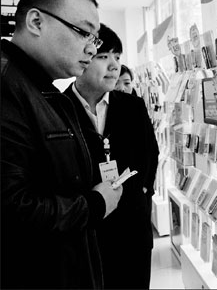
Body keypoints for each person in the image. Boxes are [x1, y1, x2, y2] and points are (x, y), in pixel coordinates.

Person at [1, 0, 123, 289]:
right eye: (83, 32)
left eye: (94, 40)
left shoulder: (43, 91)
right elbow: (14, 209)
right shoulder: (8, 86)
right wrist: (95, 205)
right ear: (36, 21)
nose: (89, 47)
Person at [64, 24, 159, 289]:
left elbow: (150, 153)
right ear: (82, 57)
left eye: (117, 57)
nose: (114, 65)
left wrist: (142, 193)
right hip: (87, 232)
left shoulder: (132, 106)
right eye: (103, 56)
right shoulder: (58, 108)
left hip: (133, 228)